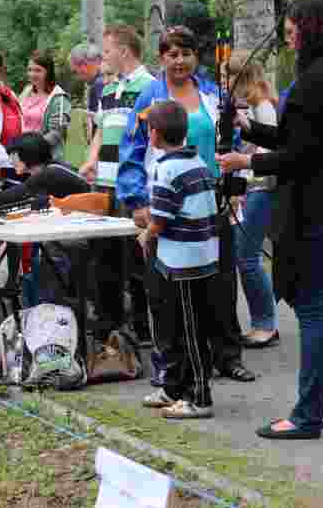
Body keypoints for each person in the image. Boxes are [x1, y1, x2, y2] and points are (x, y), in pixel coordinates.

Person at [217, 0, 323, 440]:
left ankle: (306, 416)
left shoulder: (315, 80)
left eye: (292, 31)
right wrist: (250, 129)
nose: (288, 39)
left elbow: (301, 155)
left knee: (315, 309)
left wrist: (245, 161)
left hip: (318, 208)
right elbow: (300, 137)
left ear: (310, 29)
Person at [120, 26, 256, 384]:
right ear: (161, 58)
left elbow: (232, 139)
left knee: (221, 281)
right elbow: (131, 149)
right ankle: (173, 364)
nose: (179, 61)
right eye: (172, 54)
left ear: (196, 57)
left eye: (186, 53)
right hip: (166, 204)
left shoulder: (212, 92)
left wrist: (235, 184)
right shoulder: (150, 96)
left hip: (213, 200)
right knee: (167, 288)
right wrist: (136, 200)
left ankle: (227, 356)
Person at [138, 101, 219, 419]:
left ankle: (199, 397)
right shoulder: (197, 160)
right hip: (196, 256)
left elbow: (160, 220)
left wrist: (146, 234)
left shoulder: (166, 168)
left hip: (185, 262)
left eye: (148, 127)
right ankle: (173, 388)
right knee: (175, 327)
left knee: (190, 332)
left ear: (155, 133)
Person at [0, 132, 90, 307]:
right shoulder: (51, 169)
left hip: (84, 235)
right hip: (78, 228)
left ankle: (47, 307)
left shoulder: (48, 174)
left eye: (15, 156)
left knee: (46, 258)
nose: (11, 160)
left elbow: (1, 200)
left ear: (27, 156)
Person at [78, 25, 155, 342]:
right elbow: (100, 129)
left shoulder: (150, 87)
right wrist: (91, 159)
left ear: (124, 51)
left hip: (132, 186)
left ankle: (143, 327)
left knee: (136, 258)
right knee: (104, 256)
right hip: (104, 185)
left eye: (107, 51)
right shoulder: (107, 90)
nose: (103, 57)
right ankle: (109, 323)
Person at [224, 51, 280, 348]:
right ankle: (262, 320)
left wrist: (242, 179)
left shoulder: (263, 107)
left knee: (248, 258)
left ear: (241, 77)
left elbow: (266, 153)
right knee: (243, 257)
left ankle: (265, 323)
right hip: (248, 188)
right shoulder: (246, 107)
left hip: (259, 189)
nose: (225, 82)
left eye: (228, 76)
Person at [20, 50, 72, 160]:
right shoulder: (26, 92)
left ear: (48, 72)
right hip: (22, 156)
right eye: (30, 70)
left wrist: (32, 147)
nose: (32, 74)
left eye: (38, 70)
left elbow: (56, 134)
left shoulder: (59, 98)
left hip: (45, 159)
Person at [68, 42, 104, 138]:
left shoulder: (100, 83)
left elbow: (105, 120)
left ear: (84, 65)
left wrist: (81, 114)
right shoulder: (99, 82)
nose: (77, 77)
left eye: (75, 72)